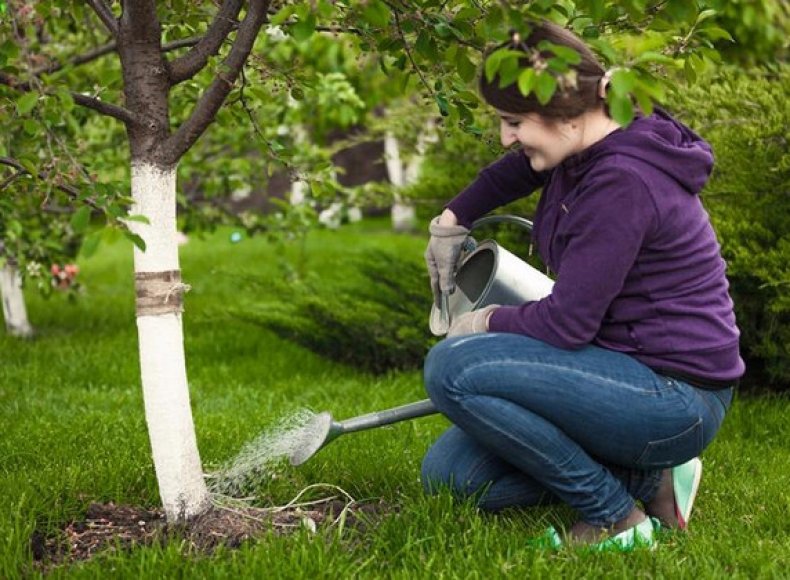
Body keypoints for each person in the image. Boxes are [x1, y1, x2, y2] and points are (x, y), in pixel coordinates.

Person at [421, 21, 744, 551]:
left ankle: (616, 518)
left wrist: (481, 323)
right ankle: (652, 478)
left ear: (563, 113)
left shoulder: (623, 182)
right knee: (453, 478)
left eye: (514, 121)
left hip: (674, 396)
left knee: (453, 368)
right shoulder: (594, 137)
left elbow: (565, 324)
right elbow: (518, 170)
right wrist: (454, 217)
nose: (507, 136)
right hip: (619, 370)